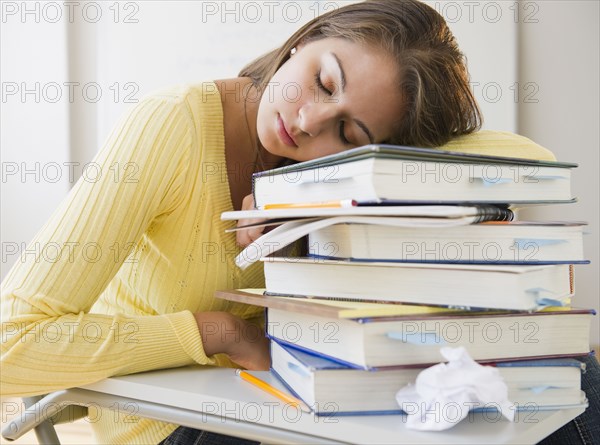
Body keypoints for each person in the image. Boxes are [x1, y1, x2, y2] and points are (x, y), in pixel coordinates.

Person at [1, 0, 596, 444]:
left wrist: (327, 196)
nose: (308, 121)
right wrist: (218, 333)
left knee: (574, 384)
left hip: (301, 403)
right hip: (180, 423)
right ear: (305, 38)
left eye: (348, 133)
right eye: (323, 80)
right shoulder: (173, 126)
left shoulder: (331, 177)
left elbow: (516, 155)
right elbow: (10, 347)